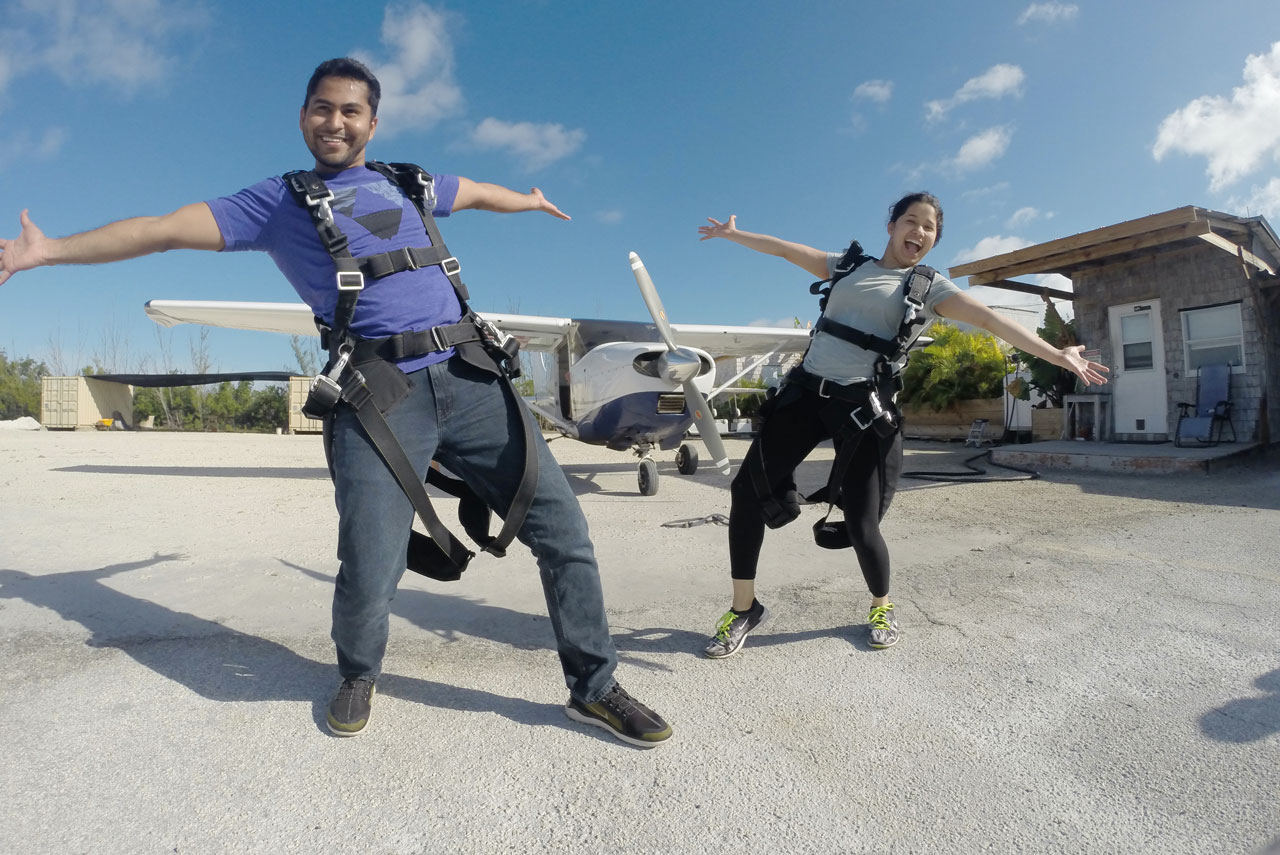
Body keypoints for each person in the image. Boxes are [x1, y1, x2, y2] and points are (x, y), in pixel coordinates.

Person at [0, 57, 671, 747]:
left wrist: (527, 201)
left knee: (563, 531)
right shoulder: (278, 202)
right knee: (369, 559)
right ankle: (357, 671)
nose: (335, 121)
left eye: (351, 111)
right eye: (323, 108)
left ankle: (594, 687)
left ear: (372, 123)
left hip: (472, 377)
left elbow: (475, 193)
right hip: (380, 393)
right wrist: (48, 250)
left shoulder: (410, 181)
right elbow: (162, 228)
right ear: (303, 117)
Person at [696, 193, 1108, 656]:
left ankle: (881, 605)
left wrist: (1057, 354)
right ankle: (744, 607)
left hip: (860, 409)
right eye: (911, 221)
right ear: (891, 225)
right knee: (746, 492)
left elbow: (991, 320)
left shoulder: (929, 288)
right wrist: (734, 235)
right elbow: (787, 250)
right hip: (805, 395)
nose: (919, 232)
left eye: (929, 228)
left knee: (862, 521)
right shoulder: (848, 266)